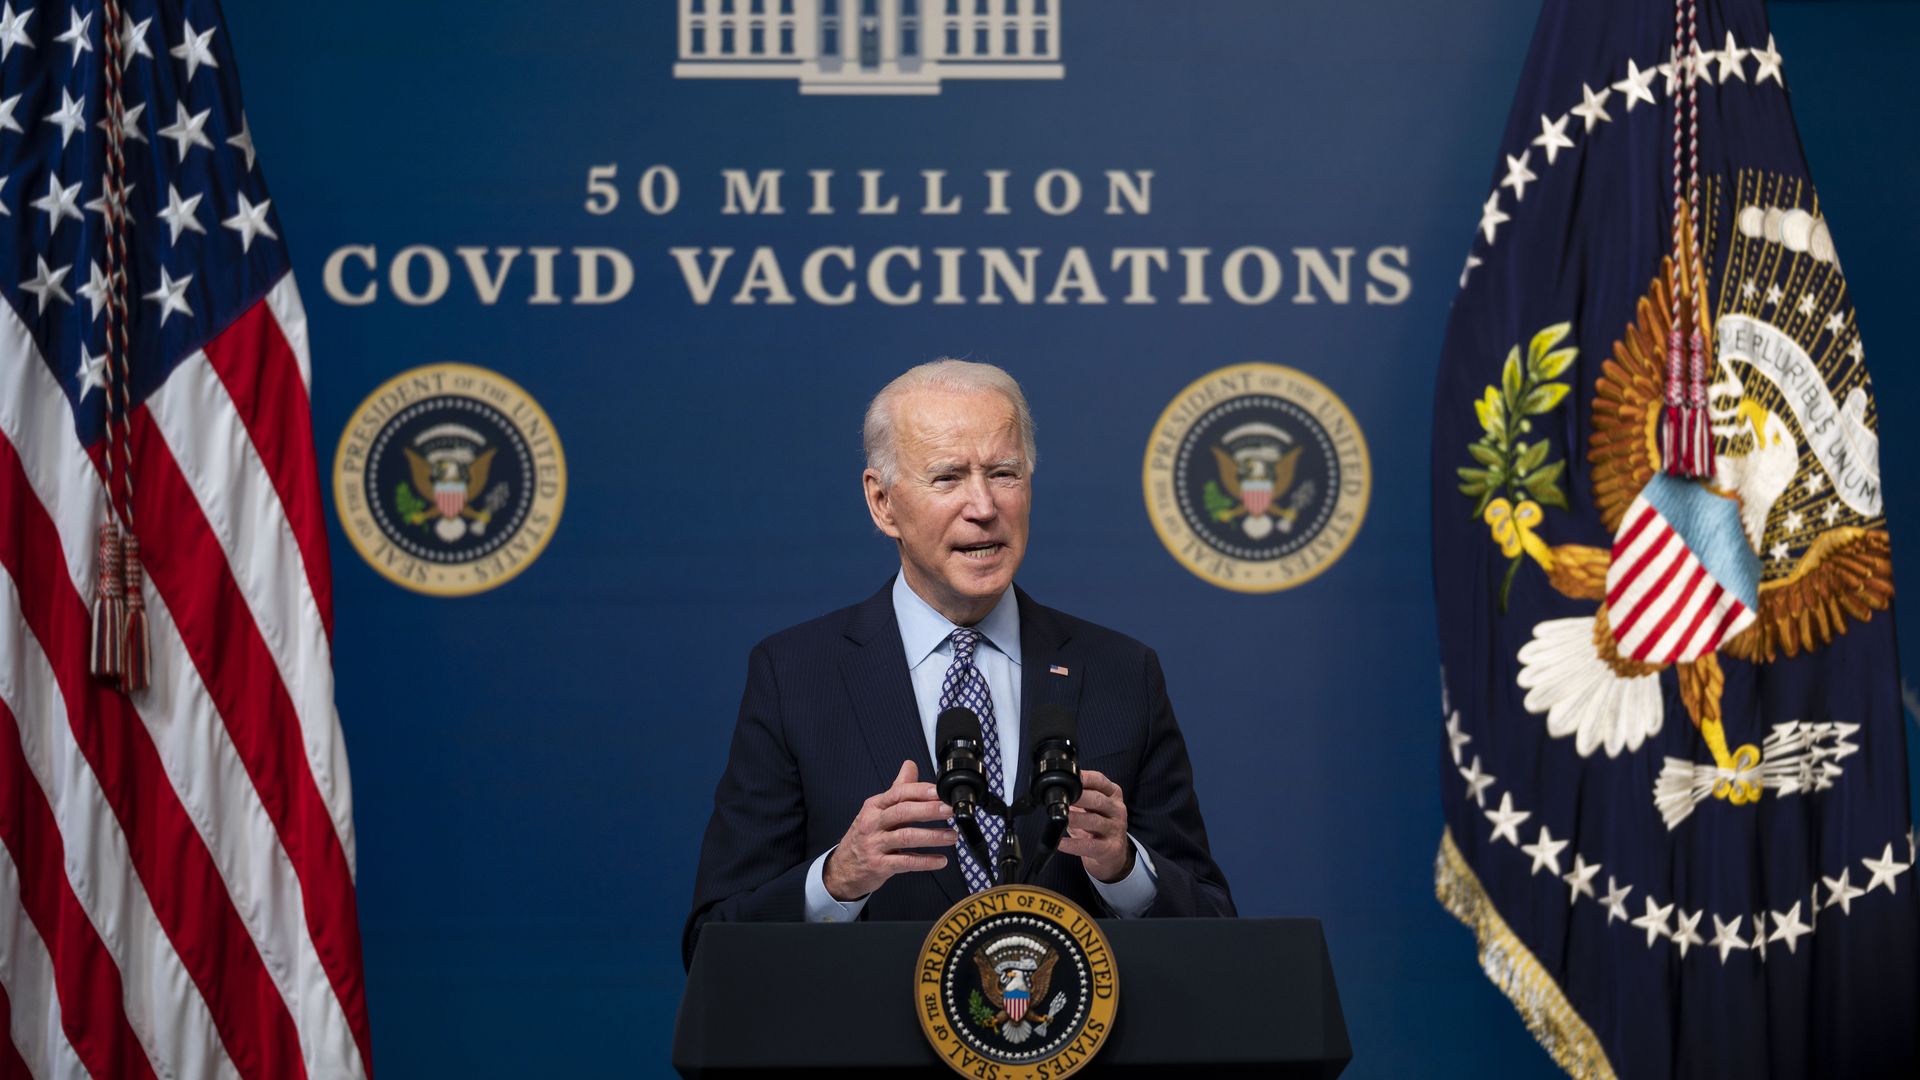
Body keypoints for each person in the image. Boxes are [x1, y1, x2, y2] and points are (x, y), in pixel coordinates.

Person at [683, 359, 1233, 967]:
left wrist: (1123, 869)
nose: (984, 506)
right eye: (948, 478)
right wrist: (838, 878)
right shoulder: (795, 676)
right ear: (882, 502)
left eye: (1004, 473)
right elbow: (713, 944)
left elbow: (1215, 929)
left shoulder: (1121, 673)